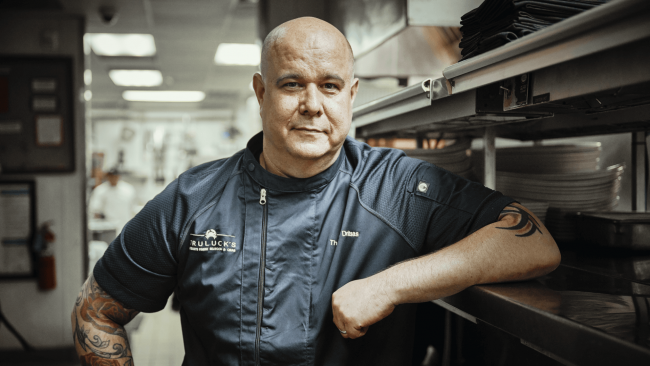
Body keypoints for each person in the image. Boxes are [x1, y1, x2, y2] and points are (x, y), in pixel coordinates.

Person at [71, 17, 560, 366]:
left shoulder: (400, 188)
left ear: (352, 95)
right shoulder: (192, 200)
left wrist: (387, 285)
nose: (311, 104)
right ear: (261, 93)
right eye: (291, 84)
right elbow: (96, 312)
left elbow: (531, 240)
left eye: (329, 85)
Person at [87, 168, 137, 235]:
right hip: (107, 229)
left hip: (125, 226)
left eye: (115, 176)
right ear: (108, 176)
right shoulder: (100, 191)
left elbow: (132, 209)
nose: (113, 178)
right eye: (111, 176)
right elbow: (95, 210)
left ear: (119, 176)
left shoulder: (128, 190)